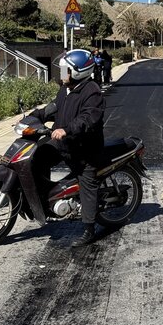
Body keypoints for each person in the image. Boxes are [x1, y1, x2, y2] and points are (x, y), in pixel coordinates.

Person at [30, 49, 104, 247]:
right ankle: (46, 198)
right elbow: (54, 107)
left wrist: (66, 130)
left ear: (78, 72)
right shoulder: (65, 89)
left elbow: (88, 118)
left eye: (65, 71)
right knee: (37, 158)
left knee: (87, 183)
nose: (62, 74)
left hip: (84, 148)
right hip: (63, 143)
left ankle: (89, 229)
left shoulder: (92, 92)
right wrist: (35, 116)